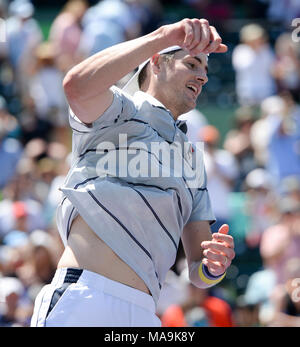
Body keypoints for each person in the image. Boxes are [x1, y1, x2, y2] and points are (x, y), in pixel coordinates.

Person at [31, 18, 235, 327]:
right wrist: (161, 36)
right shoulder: (119, 110)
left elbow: (198, 269)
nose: (203, 77)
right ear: (157, 62)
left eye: (205, 69)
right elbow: (76, 86)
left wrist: (213, 266)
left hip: (143, 314)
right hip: (84, 297)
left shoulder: (192, 156)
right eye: (193, 63)